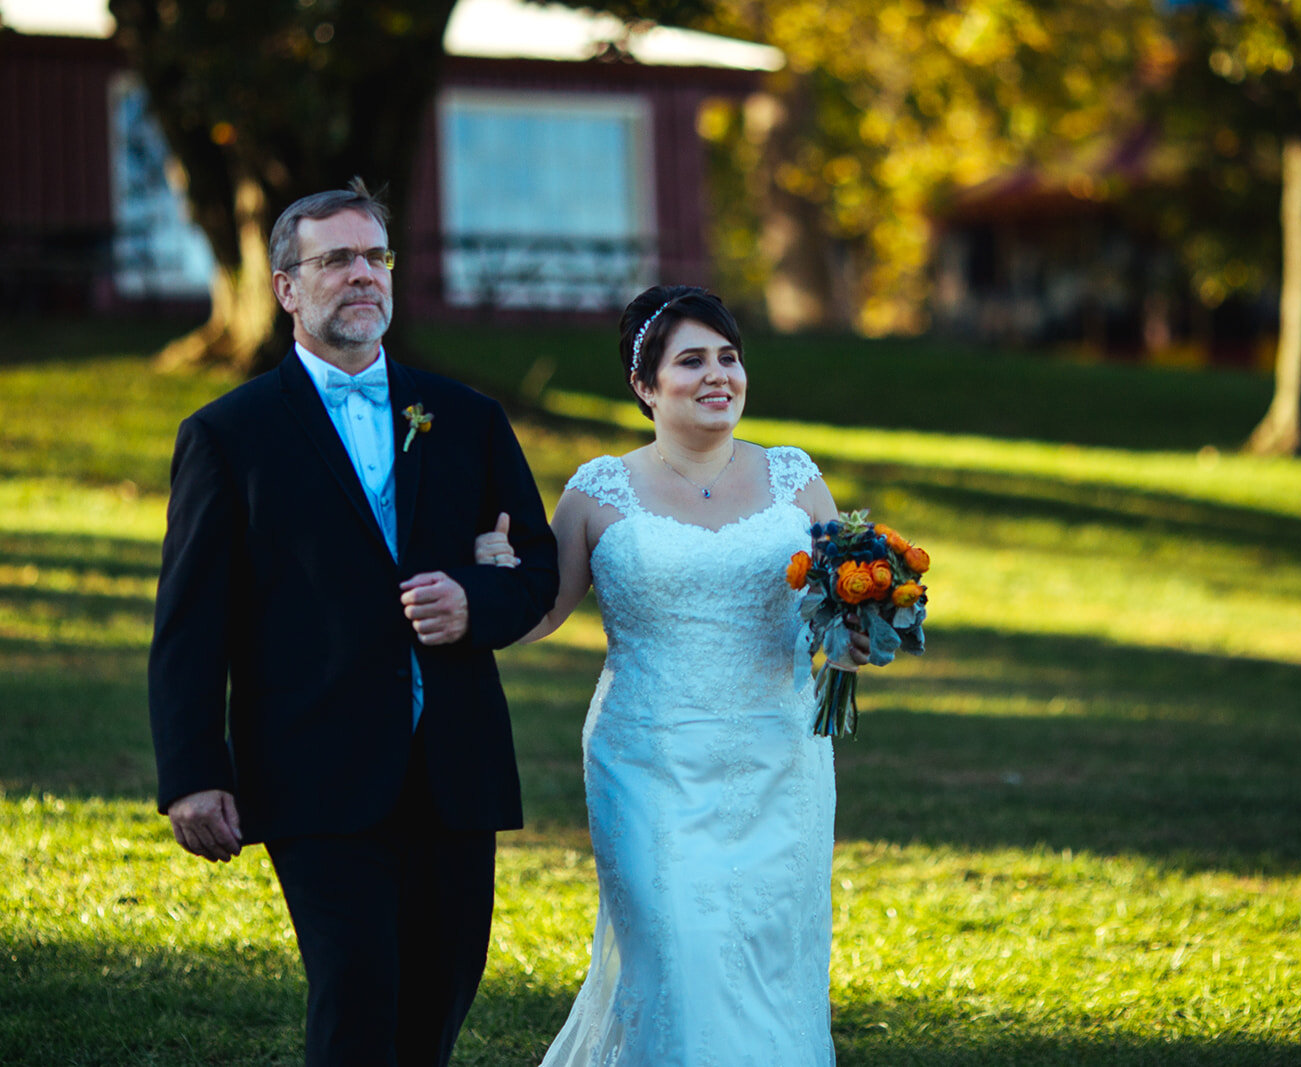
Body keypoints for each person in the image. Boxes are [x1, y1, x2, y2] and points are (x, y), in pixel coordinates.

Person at [147, 178, 559, 1067]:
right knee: (357, 990)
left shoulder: (466, 418)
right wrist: (191, 773)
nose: (362, 275)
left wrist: (472, 603)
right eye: (335, 259)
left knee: (443, 993)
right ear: (287, 288)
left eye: (375, 257)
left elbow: (536, 568)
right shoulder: (229, 434)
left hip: (455, 762)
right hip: (313, 767)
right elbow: (190, 620)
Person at [476, 285, 870, 1065]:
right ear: (645, 385)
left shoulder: (795, 477)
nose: (718, 374)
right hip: (646, 761)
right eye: (691, 360)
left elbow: (845, 594)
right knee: (677, 954)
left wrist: (861, 636)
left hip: (779, 760)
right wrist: (490, 577)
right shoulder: (598, 490)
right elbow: (541, 610)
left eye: (729, 357)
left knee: (770, 958)